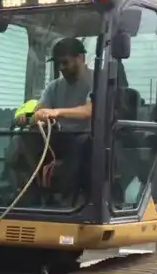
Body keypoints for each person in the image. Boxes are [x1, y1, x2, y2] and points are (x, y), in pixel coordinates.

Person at [5, 37, 94, 195]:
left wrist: (56, 112)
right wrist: (29, 118)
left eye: (65, 62)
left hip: (87, 138)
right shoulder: (54, 87)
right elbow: (40, 112)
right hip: (58, 138)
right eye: (58, 64)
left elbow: (89, 111)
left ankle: (69, 197)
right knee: (22, 140)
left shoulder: (96, 81)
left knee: (81, 145)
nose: (61, 68)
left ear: (80, 58)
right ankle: (28, 191)